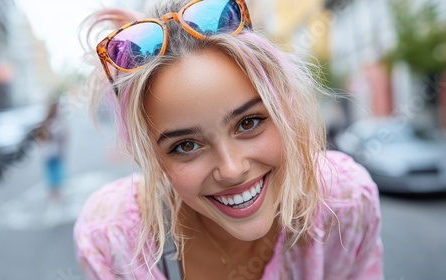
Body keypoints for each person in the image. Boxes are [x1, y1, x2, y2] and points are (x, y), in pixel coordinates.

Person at [74, 0, 384, 279]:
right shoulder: (112, 239)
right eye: (186, 146)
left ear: (284, 109)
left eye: (249, 123)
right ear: (151, 157)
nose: (232, 169)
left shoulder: (344, 201)